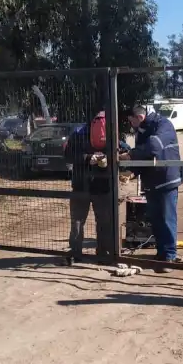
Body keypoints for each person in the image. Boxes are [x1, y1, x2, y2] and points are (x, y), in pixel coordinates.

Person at [119, 105, 182, 273]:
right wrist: (133, 173)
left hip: (167, 179)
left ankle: (169, 256)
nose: (131, 125)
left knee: (167, 218)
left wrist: (130, 155)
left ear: (138, 117)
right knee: (156, 219)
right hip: (151, 181)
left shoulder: (164, 124)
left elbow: (154, 146)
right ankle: (162, 253)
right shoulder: (142, 130)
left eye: (131, 121)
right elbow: (143, 158)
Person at [63, 111, 126, 266]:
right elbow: (68, 155)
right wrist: (87, 158)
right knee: (80, 222)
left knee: (101, 221)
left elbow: (126, 151)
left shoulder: (110, 134)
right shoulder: (79, 133)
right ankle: (79, 253)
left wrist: (108, 159)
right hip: (83, 185)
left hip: (99, 186)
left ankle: (101, 254)